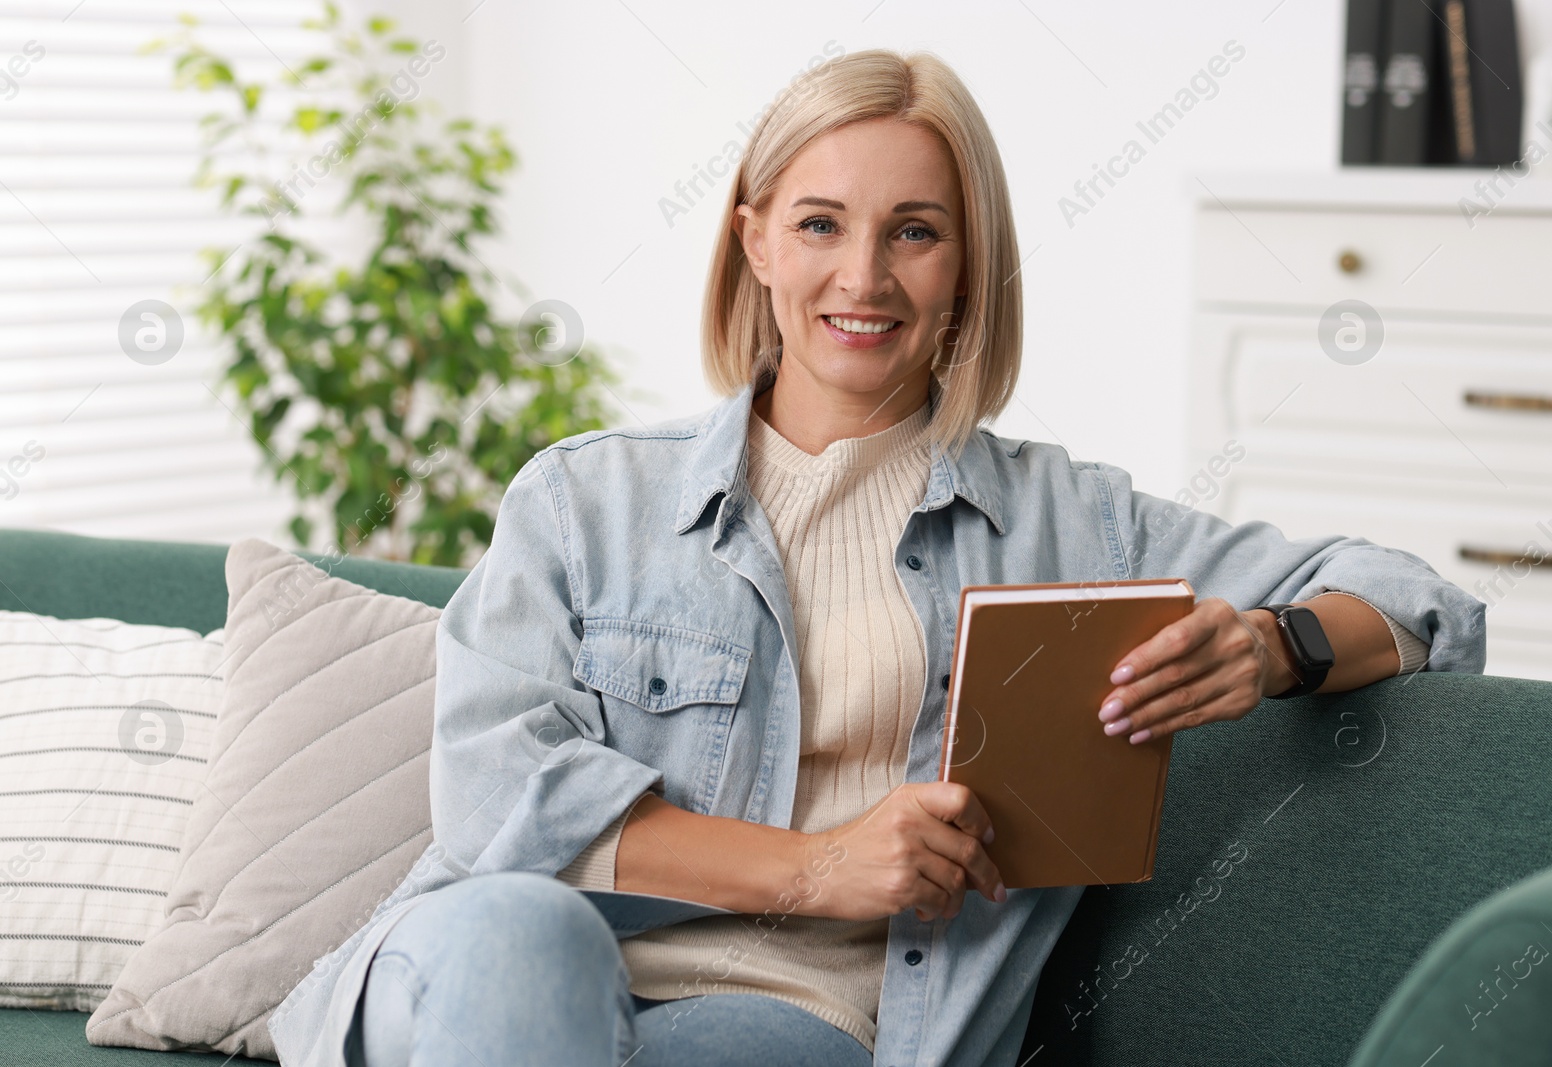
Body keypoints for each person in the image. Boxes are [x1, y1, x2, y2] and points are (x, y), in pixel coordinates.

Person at [267, 48, 1485, 1067]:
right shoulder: (585, 497)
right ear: (753, 239)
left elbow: (1424, 597)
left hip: (788, 1019)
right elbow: (492, 800)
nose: (863, 277)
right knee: (526, 939)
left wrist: (1275, 643)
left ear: (966, 266)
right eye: (818, 224)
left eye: (915, 232)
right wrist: (819, 865)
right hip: (492, 983)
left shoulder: (1071, 525)